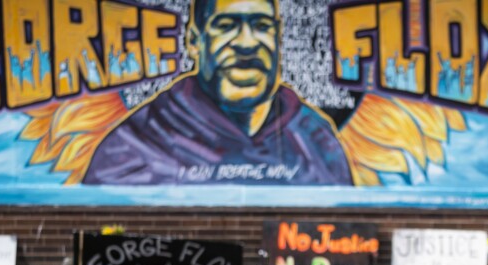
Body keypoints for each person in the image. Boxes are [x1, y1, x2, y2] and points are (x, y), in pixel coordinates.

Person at [82, 0, 352, 186]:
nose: (247, 43)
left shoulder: (316, 140)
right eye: (226, 25)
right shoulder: (135, 144)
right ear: (194, 42)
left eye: (261, 26)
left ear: (279, 39)